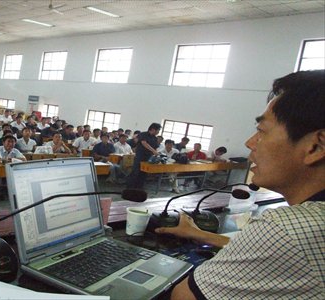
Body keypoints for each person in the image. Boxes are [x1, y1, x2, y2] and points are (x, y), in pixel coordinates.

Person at [158, 70, 324, 300]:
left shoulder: (286, 228)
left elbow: (183, 296)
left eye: (261, 131)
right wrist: (201, 235)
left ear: (315, 147)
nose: (250, 143)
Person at [127, 123, 160, 189]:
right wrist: (153, 150)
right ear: (153, 129)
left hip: (148, 158)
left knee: (144, 173)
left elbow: (156, 147)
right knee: (135, 172)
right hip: (140, 157)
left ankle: (139, 187)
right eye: (158, 130)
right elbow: (144, 143)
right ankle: (130, 188)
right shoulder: (143, 134)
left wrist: (156, 154)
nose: (158, 132)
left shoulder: (155, 138)